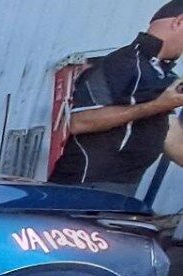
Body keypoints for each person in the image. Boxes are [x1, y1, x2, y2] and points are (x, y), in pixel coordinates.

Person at [51, 1, 183, 196]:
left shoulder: (163, 74)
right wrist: (158, 105)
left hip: (124, 187)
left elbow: (171, 138)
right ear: (179, 22)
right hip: (86, 186)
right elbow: (79, 121)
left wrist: (163, 105)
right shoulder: (121, 63)